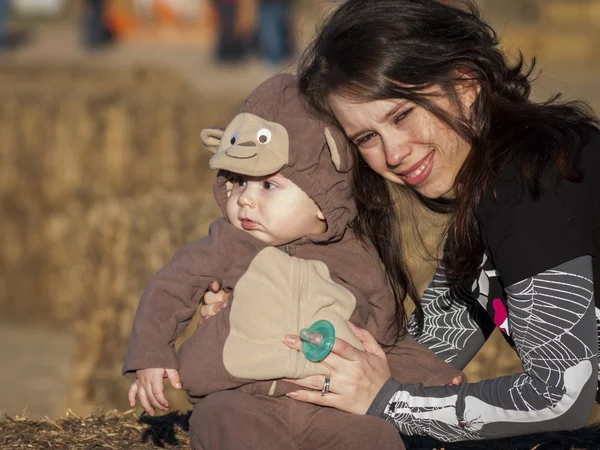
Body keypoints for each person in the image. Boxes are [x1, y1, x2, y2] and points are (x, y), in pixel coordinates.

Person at [203, 0, 600, 442]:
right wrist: (258, 321)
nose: (393, 155)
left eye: (402, 114)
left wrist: (391, 403)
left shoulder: (532, 182)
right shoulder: (490, 192)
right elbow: (417, 350)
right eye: (368, 138)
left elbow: (560, 393)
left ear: (466, 84)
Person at [123, 73, 462, 449]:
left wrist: (434, 378)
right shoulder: (227, 244)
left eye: (268, 185)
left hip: (331, 405)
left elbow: (385, 337)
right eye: (239, 182)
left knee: (377, 436)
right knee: (219, 420)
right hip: (241, 398)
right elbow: (170, 287)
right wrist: (152, 354)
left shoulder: (358, 260)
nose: (245, 200)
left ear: (323, 200)